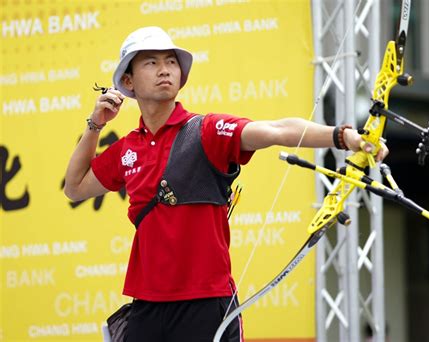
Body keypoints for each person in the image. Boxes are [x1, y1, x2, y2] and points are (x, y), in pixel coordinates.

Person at [64, 26, 388, 342]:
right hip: (146, 306)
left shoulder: (204, 131)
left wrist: (345, 137)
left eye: (171, 61)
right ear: (128, 80)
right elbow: (75, 187)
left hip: (206, 303)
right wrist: (95, 126)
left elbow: (277, 130)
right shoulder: (128, 148)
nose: (165, 70)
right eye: (151, 62)